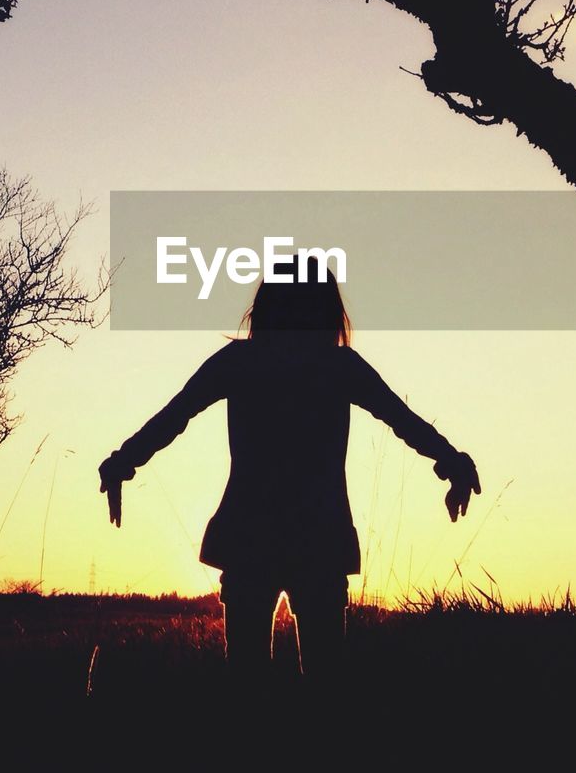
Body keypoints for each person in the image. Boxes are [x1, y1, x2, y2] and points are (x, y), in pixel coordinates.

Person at [97, 257, 480, 682]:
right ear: (327, 310)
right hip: (320, 538)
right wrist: (452, 462)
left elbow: (173, 417)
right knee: (325, 683)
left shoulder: (242, 362)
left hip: (249, 537)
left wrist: (122, 462)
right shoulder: (338, 367)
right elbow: (404, 421)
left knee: (249, 687)